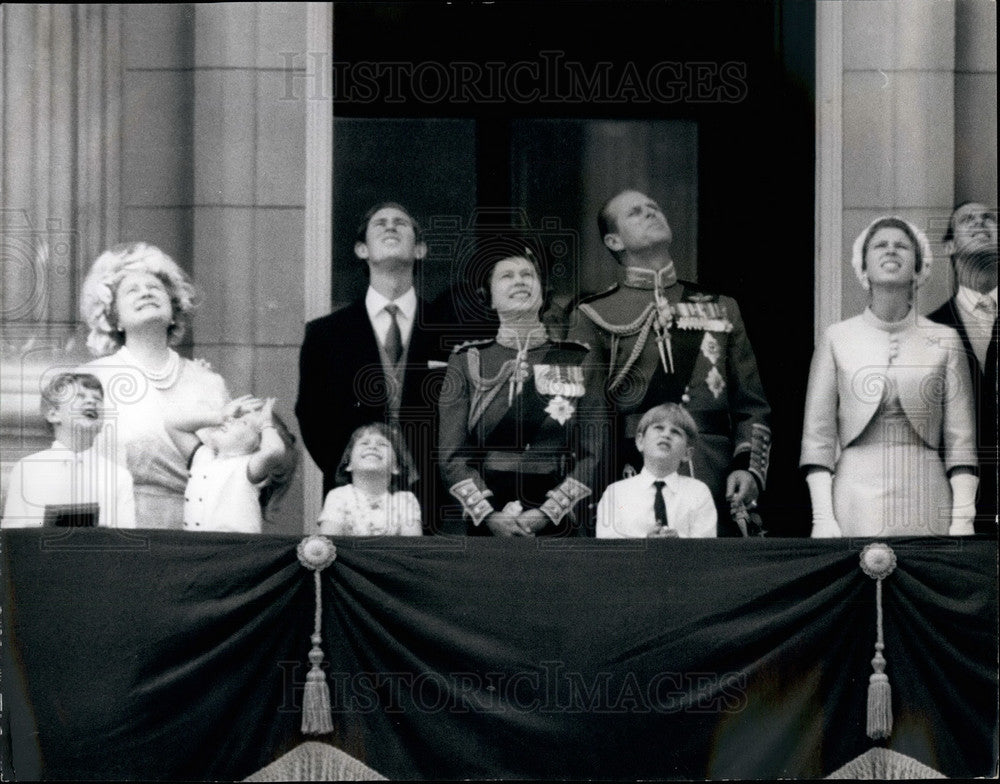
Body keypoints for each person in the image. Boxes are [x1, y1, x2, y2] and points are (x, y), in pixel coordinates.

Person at [567, 190, 771, 536]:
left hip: (714, 473)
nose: (650, 213)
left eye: (654, 207)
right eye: (635, 212)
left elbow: (751, 405)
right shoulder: (593, 314)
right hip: (633, 473)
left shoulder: (722, 307)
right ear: (614, 240)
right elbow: (592, 418)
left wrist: (747, 467)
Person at [801, 216, 978, 537]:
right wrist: (822, 517)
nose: (891, 250)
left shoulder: (946, 339)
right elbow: (818, 439)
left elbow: (961, 442)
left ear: (918, 267)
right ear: (863, 267)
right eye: (880, 245)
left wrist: (963, 518)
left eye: (902, 246)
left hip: (925, 492)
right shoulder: (837, 338)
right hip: (854, 495)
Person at [296, 202, 448, 526]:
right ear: (361, 249)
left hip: (436, 497)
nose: (390, 226)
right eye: (380, 223)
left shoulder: (449, 329)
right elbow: (311, 415)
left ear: (420, 249)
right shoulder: (325, 333)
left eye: (400, 223)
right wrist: (356, 474)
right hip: (352, 501)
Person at [80, 242, 248, 529]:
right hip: (121, 527)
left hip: (197, 526)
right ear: (115, 318)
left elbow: (230, 466)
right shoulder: (94, 378)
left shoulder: (209, 382)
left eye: (155, 287)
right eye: (132, 290)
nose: (145, 292)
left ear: (174, 310)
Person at [438, 251, 607, 537]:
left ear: (543, 294)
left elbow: (593, 451)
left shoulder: (578, 358)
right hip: (487, 506)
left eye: (528, 275)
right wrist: (488, 514)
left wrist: (548, 512)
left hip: (555, 507)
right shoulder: (467, 360)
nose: (520, 281)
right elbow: (450, 454)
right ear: (489, 298)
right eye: (507, 276)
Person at [927, 202, 998, 532]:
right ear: (949, 246)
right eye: (968, 220)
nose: (981, 223)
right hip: (956, 510)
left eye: (989, 218)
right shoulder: (928, 331)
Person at [2, 372, 136, 529]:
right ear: (53, 414)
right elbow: (13, 534)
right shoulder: (27, 469)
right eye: (79, 396)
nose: (91, 401)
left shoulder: (118, 477)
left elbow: (125, 538)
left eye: (98, 399)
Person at [168, 397, 297, 533]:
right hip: (197, 543)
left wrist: (266, 424)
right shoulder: (202, 457)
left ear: (257, 447)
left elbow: (274, 450)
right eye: (234, 417)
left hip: (235, 543)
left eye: (243, 422)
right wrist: (220, 416)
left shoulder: (248, 466)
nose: (230, 420)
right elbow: (172, 425)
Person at [596, 403, 716, 538]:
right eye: (659, 428)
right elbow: (607, 546)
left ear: (687, 453)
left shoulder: (698, 492)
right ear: (640, 441)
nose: (666, 434)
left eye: (675, 432)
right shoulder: (615, 493)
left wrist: (681, 543)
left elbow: (707, 546)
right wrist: (645, 543)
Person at [316, 422, 422, 536]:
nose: (372, 446)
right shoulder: (338, 496)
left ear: (396, 467)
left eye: (382, 444)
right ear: (349, 464)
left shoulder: (405, 501)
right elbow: (328, 541)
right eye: (364, 443)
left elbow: (412, 543)